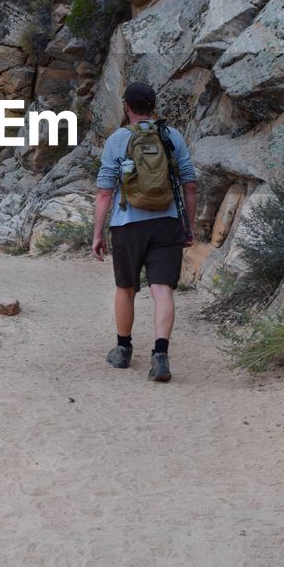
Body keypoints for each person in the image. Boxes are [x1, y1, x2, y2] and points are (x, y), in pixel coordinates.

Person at [92, 81, 197, 383]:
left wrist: (98, 233)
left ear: (126, 107)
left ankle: (123, 349)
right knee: (162, 289)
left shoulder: (117, 139)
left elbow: (104, 192)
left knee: (126, 288)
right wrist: (186, 225)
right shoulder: (171, 136)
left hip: (127, 225)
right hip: (167, 223)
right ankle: (160, 354)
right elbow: (189, 185)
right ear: (153, 106)